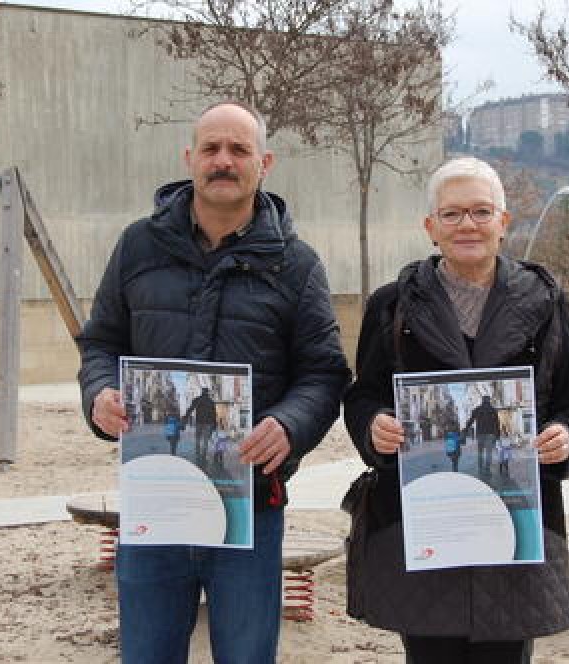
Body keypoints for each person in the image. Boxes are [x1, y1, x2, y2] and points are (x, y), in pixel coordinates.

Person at [77, 100, 350, 664]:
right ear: (190, 158)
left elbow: (324, 373)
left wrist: (289, 425)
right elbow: (100, 343)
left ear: (264, 163)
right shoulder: (137, 246)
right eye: (211, 148)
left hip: (251, 508)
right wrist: (99, 394)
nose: (223, 160)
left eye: (239, 149)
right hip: (156, 502)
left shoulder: (296, 264)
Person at [343, 156, 569, 664]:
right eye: (453, 213)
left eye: (481, 212)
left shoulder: (546, 300)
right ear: (431, 227)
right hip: (422, 527)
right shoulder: (391, 305)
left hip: (514, 529)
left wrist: (566, 438)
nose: (468, 225)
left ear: (504, 223)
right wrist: (374, 427)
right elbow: (363, 395)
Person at [463, 393, 500, 477]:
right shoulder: (493, 410)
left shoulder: (477, 409)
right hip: (491, 434)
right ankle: (487, 469)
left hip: (480, 434)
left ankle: (480, 468)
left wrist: (465, 429)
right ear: (489, 400)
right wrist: (498, 435)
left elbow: (471, 420)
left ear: (482, 401)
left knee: (480, 452)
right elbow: (497, 423)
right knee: (489, 453)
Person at [184, 386, 218, 464]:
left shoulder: (197, 399)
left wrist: (186, 417)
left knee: (198, 439)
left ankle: (198, 454)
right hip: (209, 423)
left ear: (202, 392)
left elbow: (190, 408)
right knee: (206, 440)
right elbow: (214, 414)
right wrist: (215, 424)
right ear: (207, 393)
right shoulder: (211, 401)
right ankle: (203, 455)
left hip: (199, 422)